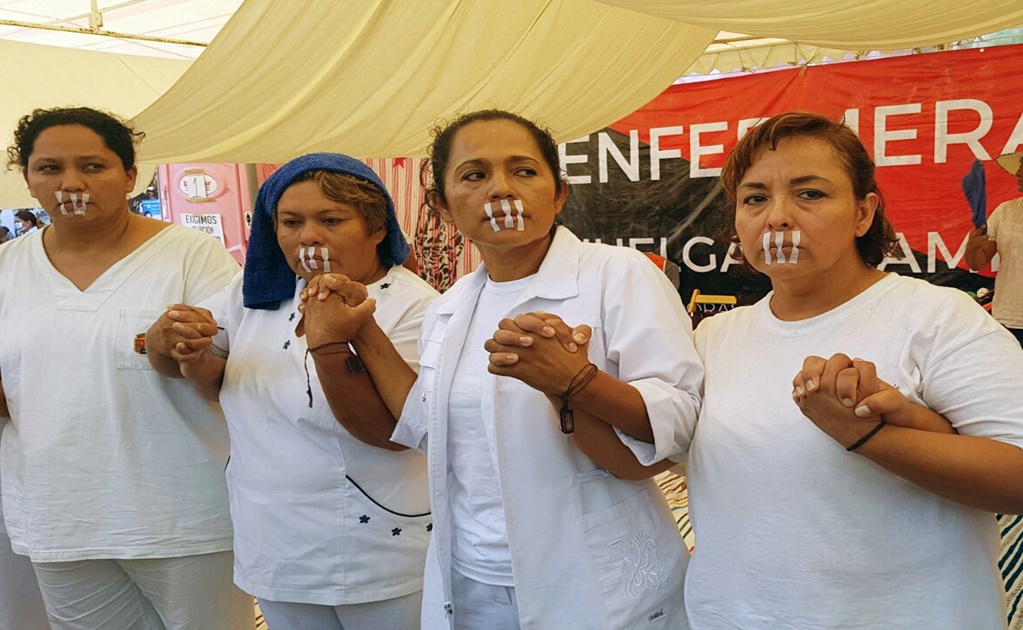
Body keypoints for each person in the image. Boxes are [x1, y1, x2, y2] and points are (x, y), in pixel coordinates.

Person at [302, 110, 703, 629]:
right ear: (442, 207)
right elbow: (427, 423)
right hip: (474, 577)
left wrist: (575, 381)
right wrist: (361, 331)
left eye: (524, 171)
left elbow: (678, 421)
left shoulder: (616, 276)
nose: (501, 190)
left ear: (558, 193)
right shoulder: (451, 306)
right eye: (474, 175)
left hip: (596, 579)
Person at [684, 111, 1023, 628]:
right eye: (755, 198)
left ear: (864, 213)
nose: (777, 217)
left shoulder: (934, 318)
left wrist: (871, 437)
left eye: (810, 194)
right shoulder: (713, 338)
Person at [146, 153, 437, 630]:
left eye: (331, 220)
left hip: (381, 553)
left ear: (377, 227)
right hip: (277, 545)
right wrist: (176, 345)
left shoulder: (414, 308)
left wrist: (332, 341)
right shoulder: (258, 294)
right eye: (290, 222)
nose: (308, 237)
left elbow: (393, 431)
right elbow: (213, 380)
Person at [0, 106, 251, 629]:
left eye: (93, 166)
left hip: (185, 517)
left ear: (131, 175)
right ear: (28, 179)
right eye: (49, 168)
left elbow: (235, 377)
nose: (72, 182)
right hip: (60, 517)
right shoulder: (7, 268)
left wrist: (179, 349)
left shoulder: (190, 255)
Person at [966, 150, 1023, 347]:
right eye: (1019, 165)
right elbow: (977, 262)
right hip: (1009, 317)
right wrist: (973, 247)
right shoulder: (1004, 211)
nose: (1018, 172)